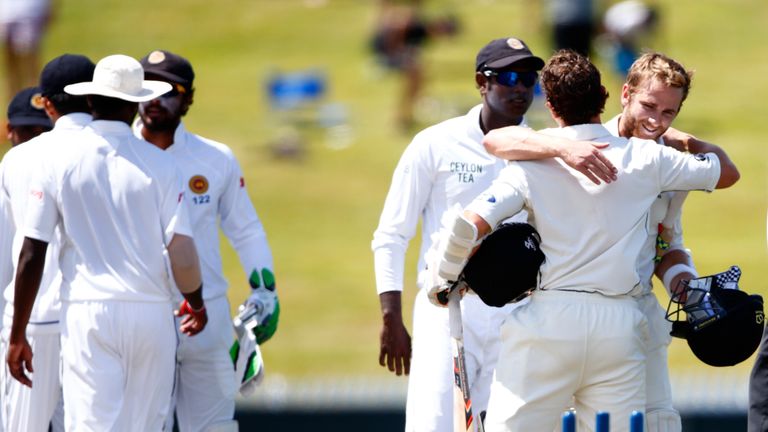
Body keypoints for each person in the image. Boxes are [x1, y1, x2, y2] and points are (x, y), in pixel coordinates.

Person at [428, 49, 725, 432]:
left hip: (550, 322)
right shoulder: (649, 159)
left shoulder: (532, 160)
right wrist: (683, 139)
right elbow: (720, 170)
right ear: (606, 96)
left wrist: (444, 278)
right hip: (620, 328)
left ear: (550, 105)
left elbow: (468, 227)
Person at [5, 54, 208, 431]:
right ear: (135, 105)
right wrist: (195, 301)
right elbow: (181, 250)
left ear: (91, 101)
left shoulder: (58, 160)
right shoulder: (162, 164)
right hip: (151, 312)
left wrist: (17, 334)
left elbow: (33, 252)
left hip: (88, 311)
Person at [372, 37, 544, 431]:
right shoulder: (434, 143)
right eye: (510, 77)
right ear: (481, 82)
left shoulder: (543, 150)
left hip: (517, 314)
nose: (521, 88)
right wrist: (391, 317)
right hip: (445, 306)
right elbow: (391, 234)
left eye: (529, 79)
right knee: (434, 425)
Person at [134, 49, 279, 432]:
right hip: (143, 314)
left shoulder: (215, 158)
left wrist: (266, 291)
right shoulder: (114, 157)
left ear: (189, 98)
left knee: (214, 427)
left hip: (208, 313)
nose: (154, 99)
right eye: (146, 88)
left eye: (168, 90)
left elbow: (245, 229)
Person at [0, 53, 95, 432]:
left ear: (49, 104)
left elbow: (12, 252)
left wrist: (12, 330)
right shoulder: (122, 152)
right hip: (91, 317)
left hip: (34, 318)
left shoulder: (17, 160)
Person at [371, 0, 459, 130]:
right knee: (416, 75)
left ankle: (407, 114)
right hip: (385, 49)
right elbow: (399, 26)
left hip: (394, 53)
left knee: (418, 76)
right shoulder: (420, 26)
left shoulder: (426, 35)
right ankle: (403, 116)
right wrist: (396, 50)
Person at [0, 0, 53, 103]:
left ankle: (35, 104)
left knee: (29, 61)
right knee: (11, 64)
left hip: (30, 10)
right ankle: (14, 105)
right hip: (5, 12)